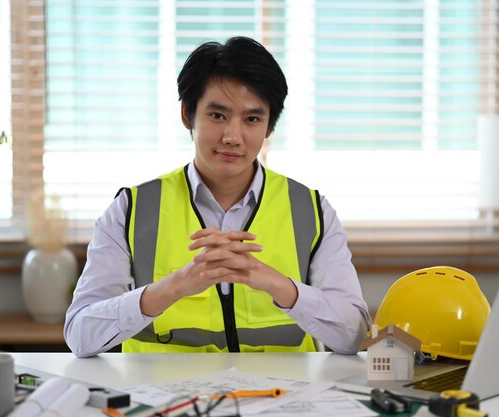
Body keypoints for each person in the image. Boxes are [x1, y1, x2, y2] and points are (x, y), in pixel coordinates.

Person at [64, 36, 371, 356]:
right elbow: (80, 335)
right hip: (164, 400)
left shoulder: (312, 209)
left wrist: (277, 285)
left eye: (252, 119)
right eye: (217, 116)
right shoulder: (130, 209)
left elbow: (354, 336)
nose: (232, 137)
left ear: (269, 126)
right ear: (187, 115)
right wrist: (174, 287)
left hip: (281, 401)